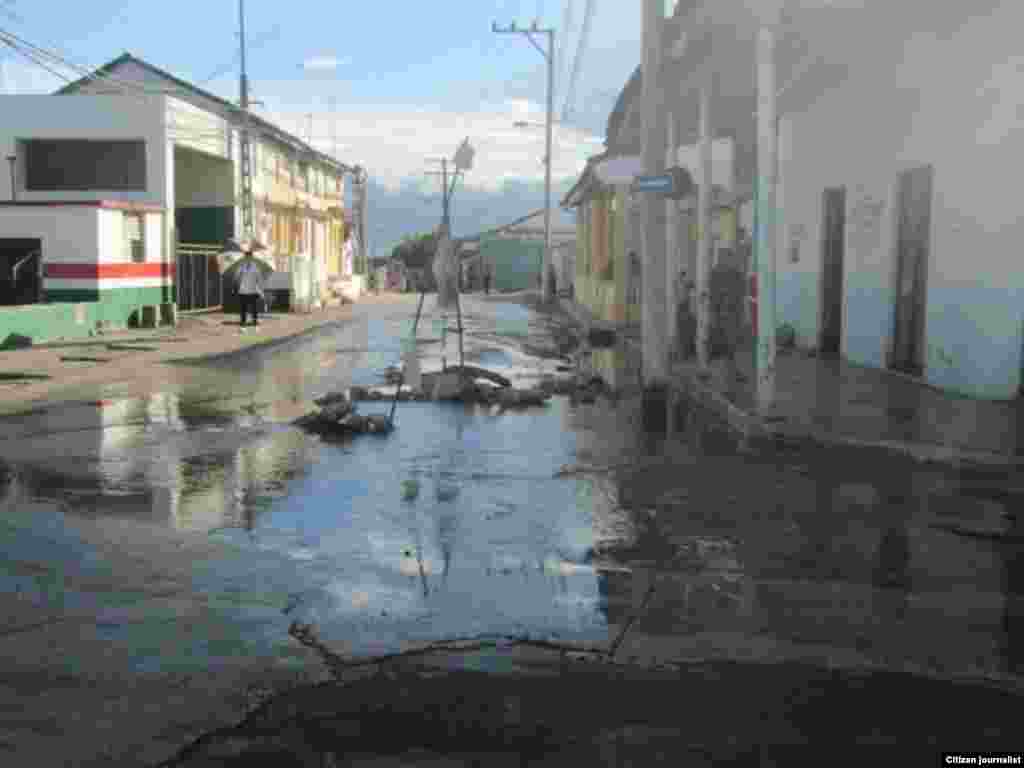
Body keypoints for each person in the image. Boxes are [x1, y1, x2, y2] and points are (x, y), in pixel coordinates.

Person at [236, 250, 265, 327]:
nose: (248, 258)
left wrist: (261, 290)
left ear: (252, 258)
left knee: (254, 308)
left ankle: (254, 321)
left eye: (249, 257)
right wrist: (240, 274)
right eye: (246, 257)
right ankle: (243, 321)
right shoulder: (242, 266)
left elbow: (259, 279)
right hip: (243, 291)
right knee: (243, 308)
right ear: (245, 257)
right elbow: (237, 277)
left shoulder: (255, 267)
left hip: (253, 290)